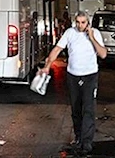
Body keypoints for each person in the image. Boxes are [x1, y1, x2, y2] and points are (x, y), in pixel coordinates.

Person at [39, 10, 107, 155]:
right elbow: (57, 49)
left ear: (88, 23)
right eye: (78, 22)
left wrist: (92, 37)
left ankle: (86, 142)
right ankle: (78, 137)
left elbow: (103, 54)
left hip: (90, 76)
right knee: (76, 109)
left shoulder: (95, 33)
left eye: (83, 22)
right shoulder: (70, 33)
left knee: (88, 109)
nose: (80, 25)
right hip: (73, 76)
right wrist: (47, 66)